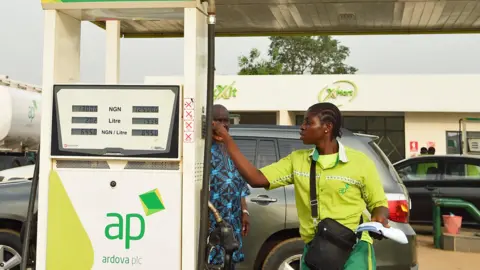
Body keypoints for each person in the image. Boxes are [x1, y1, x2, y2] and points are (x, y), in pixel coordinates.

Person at [212, 102, 389, 270]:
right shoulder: (298, 160)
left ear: (327, 127)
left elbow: (379, 203)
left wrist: (379, 217)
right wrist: (228, 141)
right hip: (316, 249)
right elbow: (256, 178)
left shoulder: (360, 162)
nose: (302, 127)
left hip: (354, 249)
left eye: (308, 122)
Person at [208, 104, 251, 269]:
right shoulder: (200, 151)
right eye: (217, 120)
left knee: (230, 262)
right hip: (212, 225)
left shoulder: (232, 150)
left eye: (226, 120)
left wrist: (245, 211)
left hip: (232, 224)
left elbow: (240, 185)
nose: (222, 125)